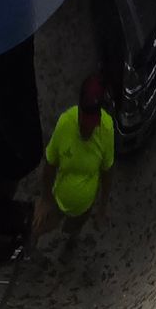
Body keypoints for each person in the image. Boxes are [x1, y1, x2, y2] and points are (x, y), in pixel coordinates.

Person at [33, 76, 114, 236]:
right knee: (38, 227)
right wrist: (45, 199)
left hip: (85, 205)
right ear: (79, 112)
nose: (88, 130)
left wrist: (102, 208)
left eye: (92, 125)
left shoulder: (107, 128)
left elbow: (107, 172)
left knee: (74, 230)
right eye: (85, 124)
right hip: (58, 199)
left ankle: (71, 242)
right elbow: (50, 165)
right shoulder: (65, 123)